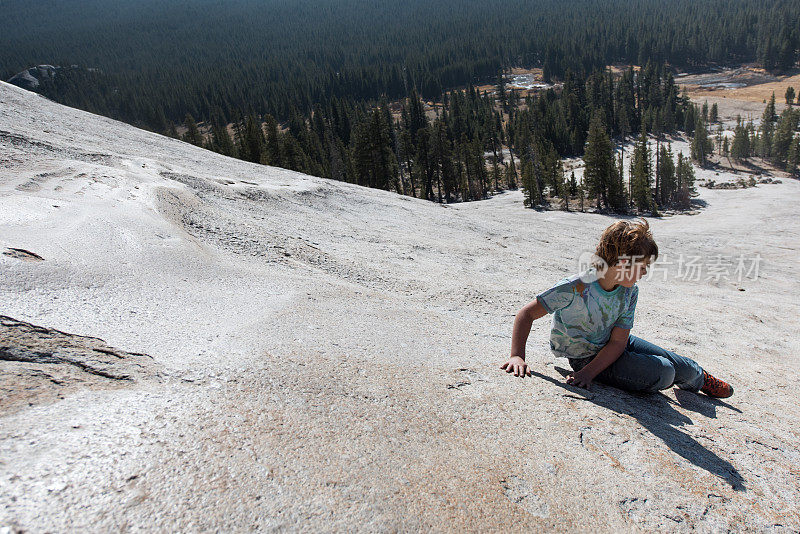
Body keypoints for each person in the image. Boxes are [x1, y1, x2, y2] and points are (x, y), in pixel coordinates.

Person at [500, 218, 733, 398]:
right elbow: (526, 314)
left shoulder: (629, 291)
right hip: (585, 358)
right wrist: (517, 356)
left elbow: (619, 342)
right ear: (623, 263)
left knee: (685, 368)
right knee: (665, 372)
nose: (644, 272)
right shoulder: (576, 287)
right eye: (642, 267)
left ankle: (698, 380)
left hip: (614, 343)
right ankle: (673, 375)